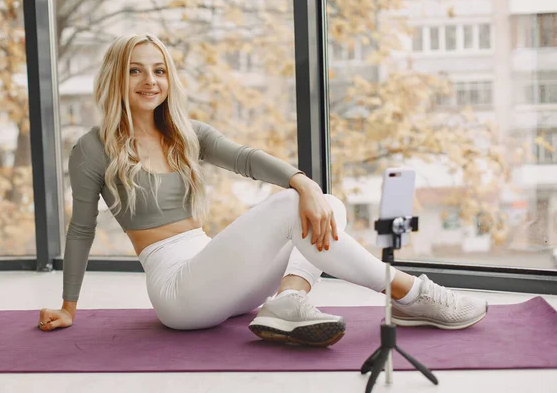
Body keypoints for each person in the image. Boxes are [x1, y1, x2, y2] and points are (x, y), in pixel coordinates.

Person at [37, 33, 488, 347]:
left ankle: (288, 300)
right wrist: (68, 307)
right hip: (179, 291)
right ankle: (409, 293)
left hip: (221, 278)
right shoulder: (93, 148)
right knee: (296, 204)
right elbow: (81, 229)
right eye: (135, 71)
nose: (150, 81)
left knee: (326, 204)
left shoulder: (185, 133)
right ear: (117, 77)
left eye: (159, 70)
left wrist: (305, 182)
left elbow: (247, 158)